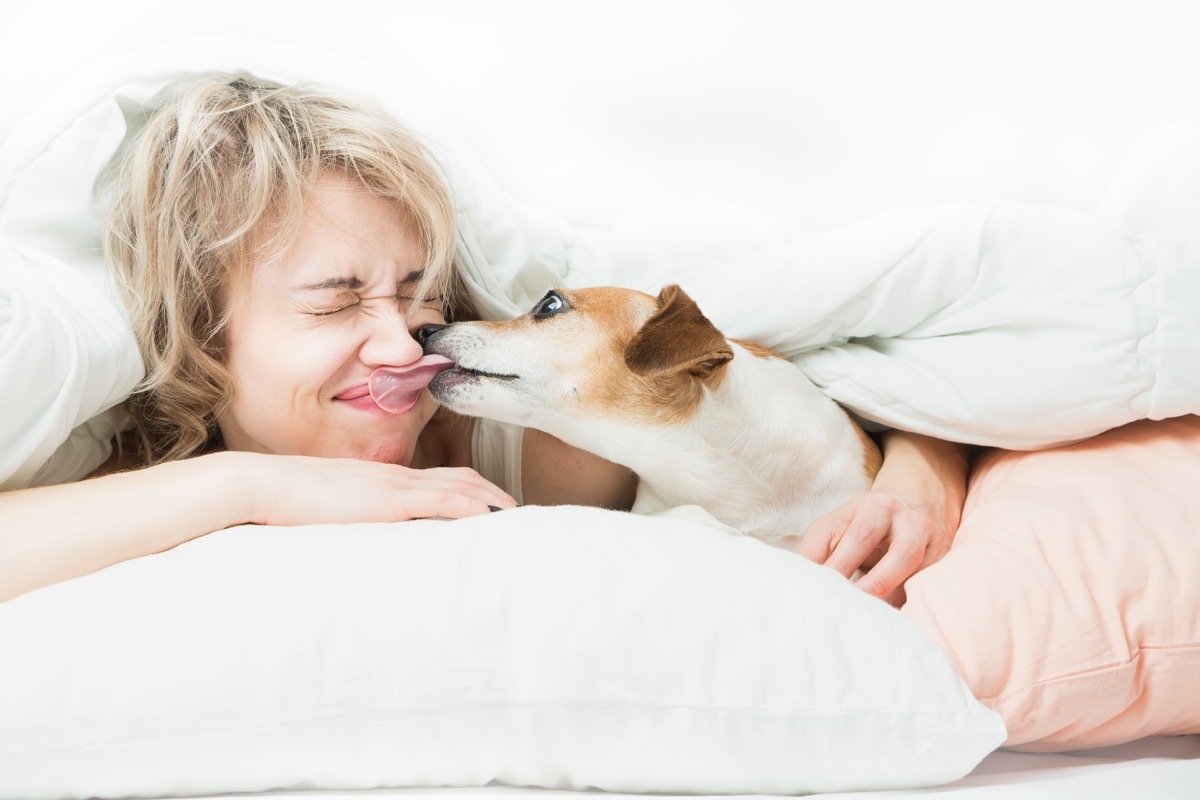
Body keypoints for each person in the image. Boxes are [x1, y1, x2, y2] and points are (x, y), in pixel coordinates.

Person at [0, 74, 969, 605]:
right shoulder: (114, 471)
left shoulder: (535, 443)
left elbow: (877, 367)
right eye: (336, 303)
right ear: (203, 330)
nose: (401, 348)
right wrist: (247, 484)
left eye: (414, 293)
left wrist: (924, 466)